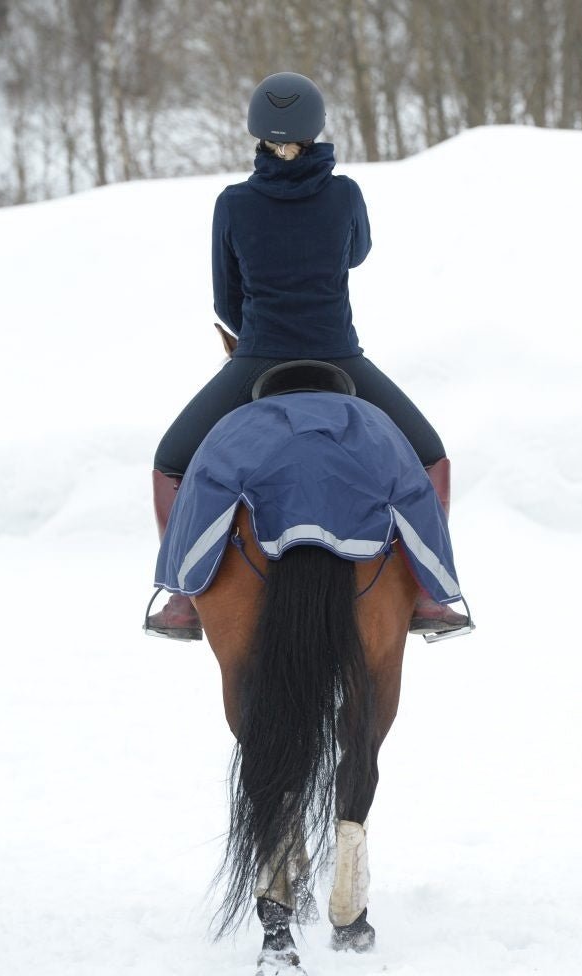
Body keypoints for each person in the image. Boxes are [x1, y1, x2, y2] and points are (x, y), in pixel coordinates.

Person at [146, 71, 469, 642]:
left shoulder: (233, 203)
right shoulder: (345, 195)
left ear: (257, 132)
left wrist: (259, 336)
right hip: (340, 358)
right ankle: (426, 590)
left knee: (171, 461)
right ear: (316, 128)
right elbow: (358, 253)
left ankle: (184, 597)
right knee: (429, 455)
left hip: (256, 360)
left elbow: (225, 299)